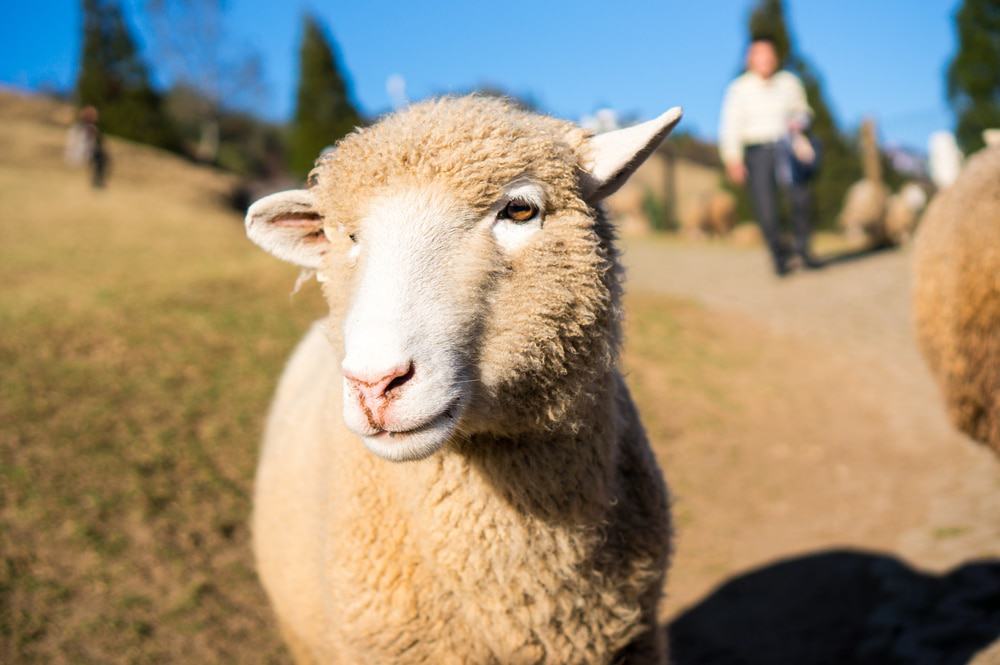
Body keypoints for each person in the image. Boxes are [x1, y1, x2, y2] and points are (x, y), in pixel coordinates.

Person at [719, 36, 821, 275]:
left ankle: (804, 249)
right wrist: (733, 159)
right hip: (757, 152)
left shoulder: (789, 82)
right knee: (766, 206)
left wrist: (799, 122)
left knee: (800, 199)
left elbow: (803, 110)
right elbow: (730, 126)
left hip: (788, 147)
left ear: (775, 57)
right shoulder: (738, 89)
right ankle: (778, 255)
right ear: (750, 59)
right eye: (759, 54)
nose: (765, 59)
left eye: (768, 54)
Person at [66, 106, 108, 188]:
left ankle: (98, 181)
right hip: (80, 155)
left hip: (88, 154)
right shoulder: (78, 128)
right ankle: (97, 181)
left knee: (102, 157)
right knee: (100, 158)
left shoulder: (92, 129)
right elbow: (77, 144)